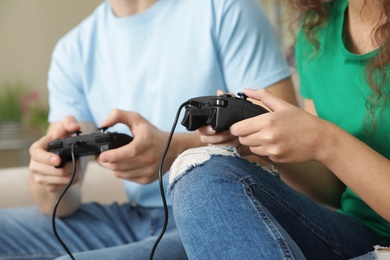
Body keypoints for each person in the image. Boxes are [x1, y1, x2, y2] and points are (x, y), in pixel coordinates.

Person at [0, 0, 298, 259]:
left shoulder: (225, 8)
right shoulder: (73, 49)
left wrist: (175, 151)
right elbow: (61, 206)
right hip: (133, 218)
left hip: (216, 213)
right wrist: (50, 178)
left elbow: (293, 154)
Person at [168, 0, 390, 259]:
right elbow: (332, 189)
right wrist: (260, 141)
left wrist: (325, 141)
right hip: (355, 233)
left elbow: (326, 145)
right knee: (203, 172)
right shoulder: (317, 29)